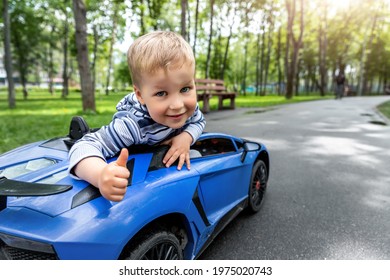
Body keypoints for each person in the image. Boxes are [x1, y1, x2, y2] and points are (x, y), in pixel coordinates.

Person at [68, 31, 206, 202]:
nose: (178, 105)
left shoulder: (189, 110)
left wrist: (186, 137)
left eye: (185, 89)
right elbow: (83, 146)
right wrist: (100, 175)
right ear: (140, 95)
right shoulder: (133, 126)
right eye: (162, 93)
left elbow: (199, 121)